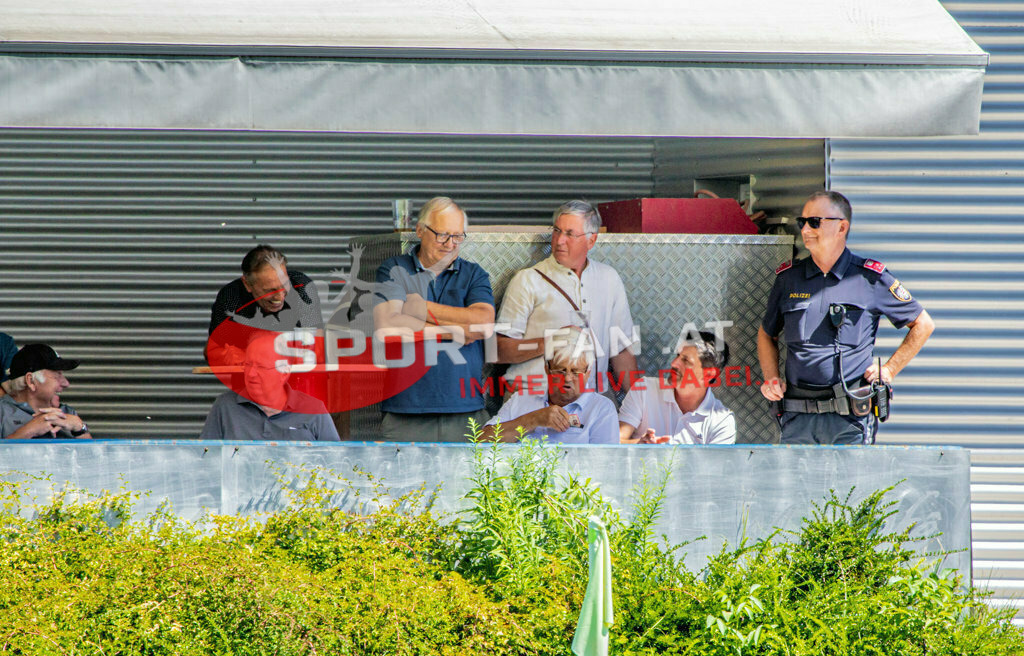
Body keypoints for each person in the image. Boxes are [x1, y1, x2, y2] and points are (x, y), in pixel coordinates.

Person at [757, 190, 935, 445]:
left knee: (850, 486)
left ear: (842, 227)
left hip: (850, 418)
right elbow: (767, 333)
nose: (805, 229)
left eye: (814, 222)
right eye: (802, 222)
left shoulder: (870, 278)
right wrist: (771, 377)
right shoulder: (788, 279)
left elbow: (923, 324)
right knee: (798, 486)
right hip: (798, 418)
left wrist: (889, 370)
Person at [373, 196, 495, 442]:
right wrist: (456, 331)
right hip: (405, 411)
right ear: (420, 230)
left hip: (466, 411)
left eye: (458, 236)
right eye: (442, 235)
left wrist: (419, 307)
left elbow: (483, 323)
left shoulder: (474, 274)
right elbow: (388, 326)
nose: (450, 244)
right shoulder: (395, 269)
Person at [496, 200, 638, 396]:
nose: (559, 240)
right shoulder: (527, 280)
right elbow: (499, 349)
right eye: (556, 231)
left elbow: (621, 349)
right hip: (535, 397)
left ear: (591, 240)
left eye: (570, 234)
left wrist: (640, 406)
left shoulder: (609, 278)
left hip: (593, 399)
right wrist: (551, 342)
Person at [483, 326, 618, 444]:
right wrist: (533, 419)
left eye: (576, 372)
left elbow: (605, 465)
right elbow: (481, 441)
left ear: (588, 371)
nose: (568, 378)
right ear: (546, 367)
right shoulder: (521, 399)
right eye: (560, 370)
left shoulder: (601, 409)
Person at [200, 333, 340, 441]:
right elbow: (205, 462)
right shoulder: (225, 407)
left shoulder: (314, 410)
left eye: (261, 366)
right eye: (248, 364)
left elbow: (335, 465)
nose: (251, 373)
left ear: (284, 372)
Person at [207, 244, 322, 364]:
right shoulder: (232, 296)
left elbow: (318, 346)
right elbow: (211, 351)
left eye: (284, 287)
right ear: (247, 284)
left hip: (295, 377)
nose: (280, 297)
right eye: (270, 290)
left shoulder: (301, 286)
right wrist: (228, 356)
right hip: (250, 376)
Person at [619, 331, 736, 445]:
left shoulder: (722, 422)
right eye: (678, 356)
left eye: (685, 360)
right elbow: (613, 444)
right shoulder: (644, 389)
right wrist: (640, 445)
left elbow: (715, 464)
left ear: (708, 375)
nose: (674, 363)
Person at [0, 344, 92, 439]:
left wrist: (80, 428)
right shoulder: (2, 412)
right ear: (31, 381)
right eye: (57, 375)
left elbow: (93, 453)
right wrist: (28, 431)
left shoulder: (67, 413)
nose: (66, 383)